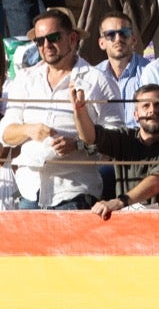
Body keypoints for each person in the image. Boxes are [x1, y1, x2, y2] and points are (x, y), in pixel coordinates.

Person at [0, 11, 119, 209]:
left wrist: (78, 144)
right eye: (39, 41)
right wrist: (28, 129)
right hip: (30, 190)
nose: (46, 45)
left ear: (72, 39)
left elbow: (116, 138)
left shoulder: (98, 81)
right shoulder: (24, 79)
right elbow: (4, 133)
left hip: (75, 190)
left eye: (53, 38)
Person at [69, 82, 159, 215]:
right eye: (146, 105)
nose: (152, 110)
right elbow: (90, 138)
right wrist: (79, 109)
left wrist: (119, 202)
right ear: (135, 115)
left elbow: (158, 180)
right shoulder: (125, 137)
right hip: (125, 222)